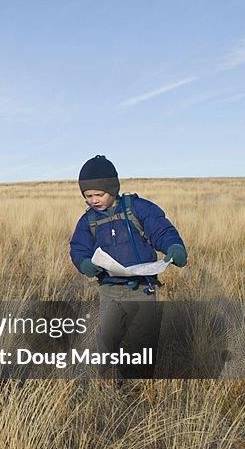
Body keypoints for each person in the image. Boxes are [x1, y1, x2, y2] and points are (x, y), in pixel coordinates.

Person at [68, 155, 188, 378]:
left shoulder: (138, 208)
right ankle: (107, 380)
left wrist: (174, 247)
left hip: (142, 289)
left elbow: (161, 231)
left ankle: (140, 383)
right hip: (109, 290)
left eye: (99, 194)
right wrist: (85, 264)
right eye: (88, 195)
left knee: (142, 339)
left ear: (113, 189)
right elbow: (78, 248)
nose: (94, 200)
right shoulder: (88, 221)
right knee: (107, 337)